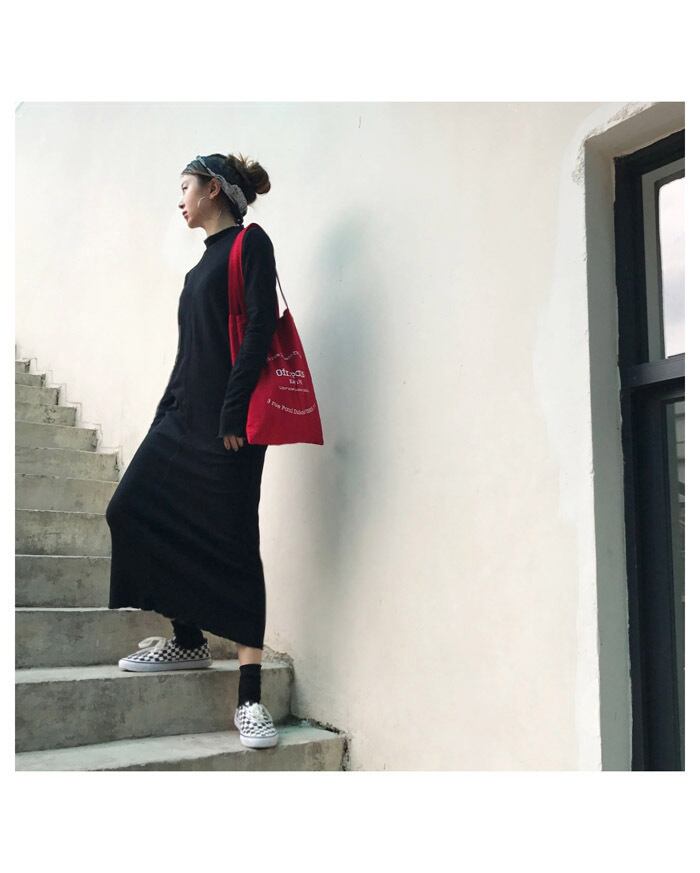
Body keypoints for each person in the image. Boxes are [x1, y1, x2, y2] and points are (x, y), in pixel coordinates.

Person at [105, 152, 279, 749]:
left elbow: (260, 328)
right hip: (184, 418)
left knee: (236, 543)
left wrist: (233, 410)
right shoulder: (197, 269)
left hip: (232, 426)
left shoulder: (250, 244)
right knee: (129, 509)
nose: (179, 198)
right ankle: (188, 639)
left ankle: (250, 698)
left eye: (185, 186)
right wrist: (164, 413)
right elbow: (191, 353)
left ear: (213, 190)